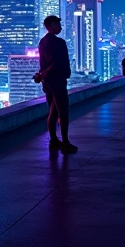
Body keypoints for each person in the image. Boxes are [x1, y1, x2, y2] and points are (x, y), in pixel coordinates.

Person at [34, 15, 78, 153]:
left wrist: (41, 75)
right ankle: (65, 142)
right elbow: (55, 63)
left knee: (53, 112)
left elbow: (45, 63)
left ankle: (54, 140)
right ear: (51, 25)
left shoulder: (43, 42)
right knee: (62, 110)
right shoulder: (58, 43)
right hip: (57, 80)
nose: (60, 26)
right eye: (58, 24)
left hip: (47, 82)